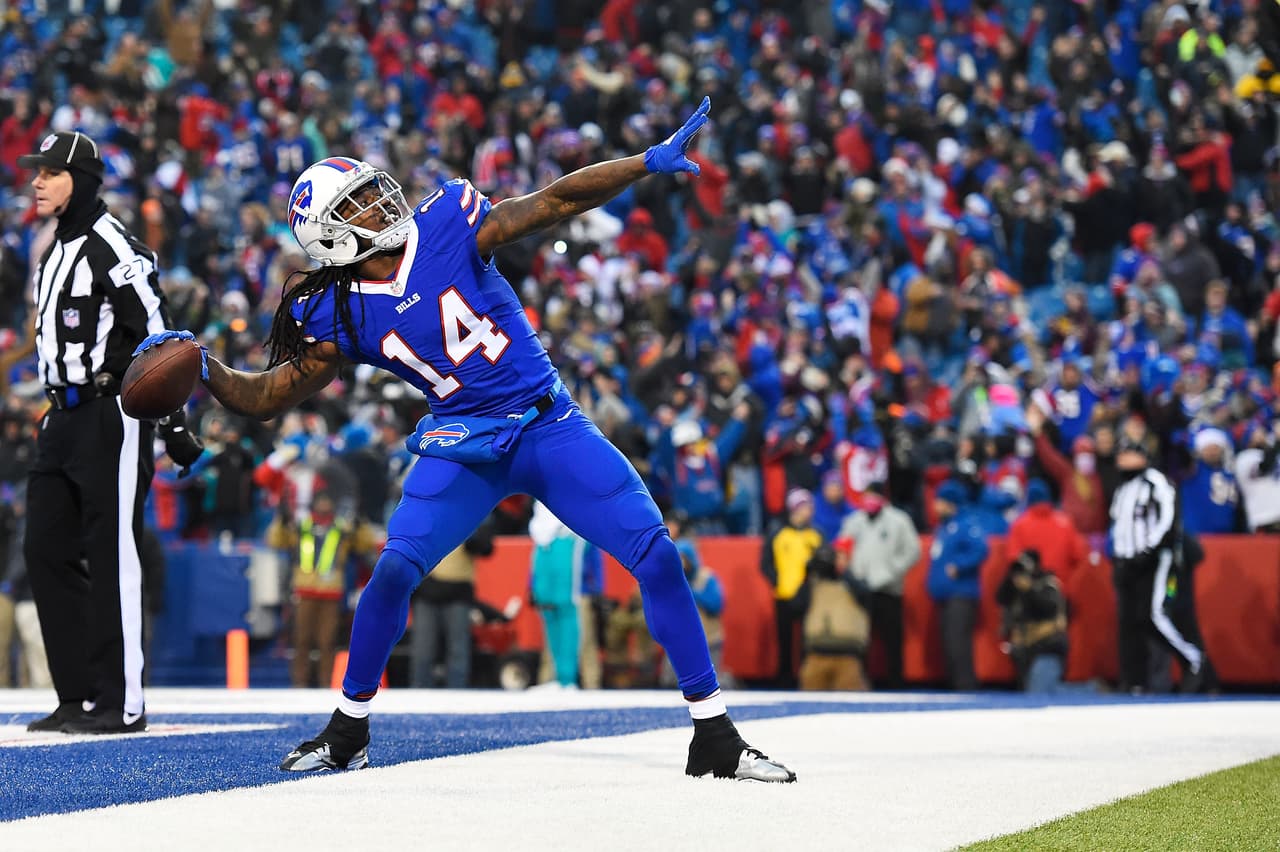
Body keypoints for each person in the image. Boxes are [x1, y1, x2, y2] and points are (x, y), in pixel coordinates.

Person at [135, 100, 794, 782]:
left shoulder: (447, 221)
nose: (378, 201)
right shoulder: (335, 308)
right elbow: (269, 396)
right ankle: (347, 730)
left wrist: (642, 162)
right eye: (356, 205)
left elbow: (556, 200)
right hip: (464, 442)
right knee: (391, 572)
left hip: (547, 424)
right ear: (330, 240)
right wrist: (204, 366)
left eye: (370, 188)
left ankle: (712, 733)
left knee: (656, 556)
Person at [7, 131, 202, 734]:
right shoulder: (52, 249)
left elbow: (162, 338)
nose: (36, 182)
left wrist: (172, 423)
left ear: (81, 180)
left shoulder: (115, 246)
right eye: (35, 172)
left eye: (50, 173)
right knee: (44, 548)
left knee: (113, 550)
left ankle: (122, 701)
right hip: (59, 414)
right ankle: (76, 694)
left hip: (109, 414)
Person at [1109, 437, 1214, 694]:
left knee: (1154, 616)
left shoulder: (1156, 482)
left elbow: (1168, 520)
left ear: (1143, 456)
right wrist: (1120, 557)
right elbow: (1118, 527)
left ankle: (1193, 659)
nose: (1122, 459)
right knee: (1129, 622)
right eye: (1121, 454)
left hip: (1154, 561)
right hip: (1127, 562)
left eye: (1129, 453)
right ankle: (1133, 680)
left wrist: (1148, 551)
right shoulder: (1122, 489)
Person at [267, 490, 382, 688]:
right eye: (320, 501)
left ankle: (325, 683)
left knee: (327, 642)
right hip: (304, 592)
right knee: (301, 640)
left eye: (327, 501)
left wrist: (360, 522)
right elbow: (276, 540)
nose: (324, 506)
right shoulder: (302, 527)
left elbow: (365, 544)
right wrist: (281, 519)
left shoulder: (341, 529)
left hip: (331, 592)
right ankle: (300, 683)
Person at [835, 482, 920, 689]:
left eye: (873, 497)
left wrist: (892, 571)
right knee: (860, 640)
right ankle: (859, 682)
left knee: (892, 639)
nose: (869, 502)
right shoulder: (854, 521)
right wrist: (850, 573)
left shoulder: (898, 520)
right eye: (866, 497)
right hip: (860, 589)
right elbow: (842, 547)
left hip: (889, 588)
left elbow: (913, 551)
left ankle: (896, 683)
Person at [409, 515, 495, 688]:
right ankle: (419, 695)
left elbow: (486, 547)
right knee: (424, 650)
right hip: (428, 589)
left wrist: (474, 535)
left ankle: (457, 695)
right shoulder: (428, 510)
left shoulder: (470, 509)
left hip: (457, 591)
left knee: (457, 649)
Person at [926, 480, 989, 691]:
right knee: (949, 644)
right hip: (946, 595)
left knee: (958, 644)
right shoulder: (945, 527)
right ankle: (955, 685)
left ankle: (966, 687)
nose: (935, 506)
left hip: (961, 594)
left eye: (940, 502)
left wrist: (959, 566)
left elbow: (980, 549)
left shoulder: (966, 523)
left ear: (950, 503)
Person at [761, 488, 823, 689]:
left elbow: (823, 563)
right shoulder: (779, 534)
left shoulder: (815, 535)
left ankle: (806, 679)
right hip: (784, 594)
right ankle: (784, 678)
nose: (809, 511)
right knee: (784, 641)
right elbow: (766, 563)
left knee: (808, 641)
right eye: (806, 506)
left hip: (809, 595)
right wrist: (777, 582)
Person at [994, 549, 1070, 694]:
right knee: (1027, 691)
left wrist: (1029, 589)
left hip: (1047, 647)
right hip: (1025, 649)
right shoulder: (1016, 587)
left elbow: (1047, 608)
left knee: (1040, 691)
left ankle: (1090, 688)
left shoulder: (1048, 583)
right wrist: (1009, 577)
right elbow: (1000, 598)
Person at [797, 544, 869, 691]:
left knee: (852, 707)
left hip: (848, 659)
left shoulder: (858, 584)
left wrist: (843, 572)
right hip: (815, 657)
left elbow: (865, 595)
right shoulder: (813, 585)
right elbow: (795, 606)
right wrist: (807, 575)